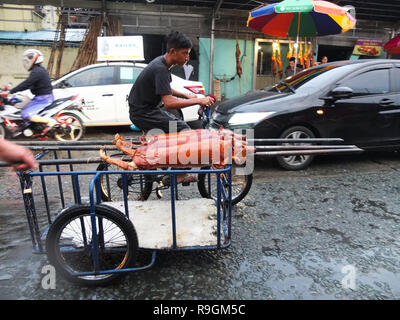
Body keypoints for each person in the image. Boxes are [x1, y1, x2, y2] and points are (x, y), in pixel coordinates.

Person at [128, 30, 215, 185]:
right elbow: (168, 102)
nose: (187, 58)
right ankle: (178, 174)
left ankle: (166, 164)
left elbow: (166, 89)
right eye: (184, 53)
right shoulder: (160, 68)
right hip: (143, 113)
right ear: (173, 51)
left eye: (188, 54)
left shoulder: (162, 62)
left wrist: (188, 96)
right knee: (184, 130)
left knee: (171, 132)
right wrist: (198, 101)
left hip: (145, 110)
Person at [4, 49, 56, 128]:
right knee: (23, 107)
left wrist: (10, 92)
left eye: (28, 59)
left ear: (34, 59)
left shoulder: (38, 71)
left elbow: (26, 84)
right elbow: (28, 84)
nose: (27, 62)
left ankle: (50, 121)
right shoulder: (38, 70)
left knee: (26, 114)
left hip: (44, 99)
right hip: (40, 97)